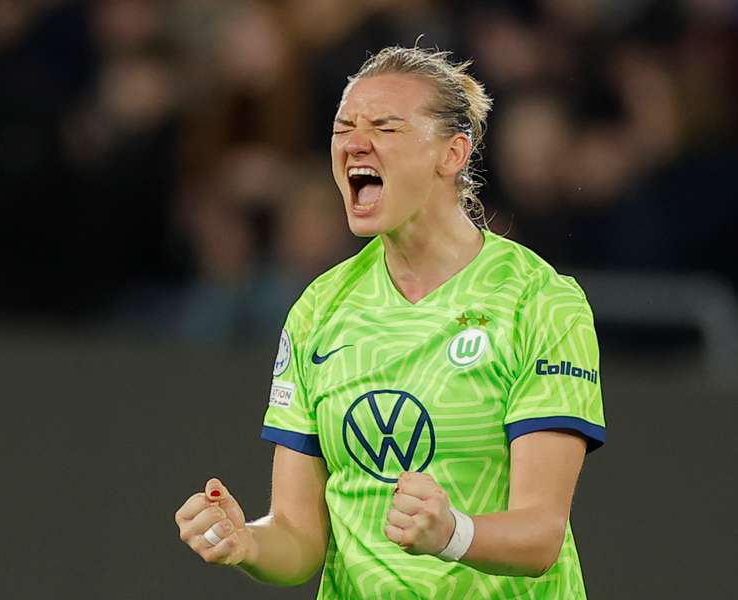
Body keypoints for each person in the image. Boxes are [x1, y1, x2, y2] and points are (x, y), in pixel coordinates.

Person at [174, 46, 606, 599]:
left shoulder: (539, 301)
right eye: (343, 126)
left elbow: (540, 536)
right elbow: (300, 540)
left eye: (386, 127)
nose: (355, 142)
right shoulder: (319, 310)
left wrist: (452, 534)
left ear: (451, 155)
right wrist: (247, 542)